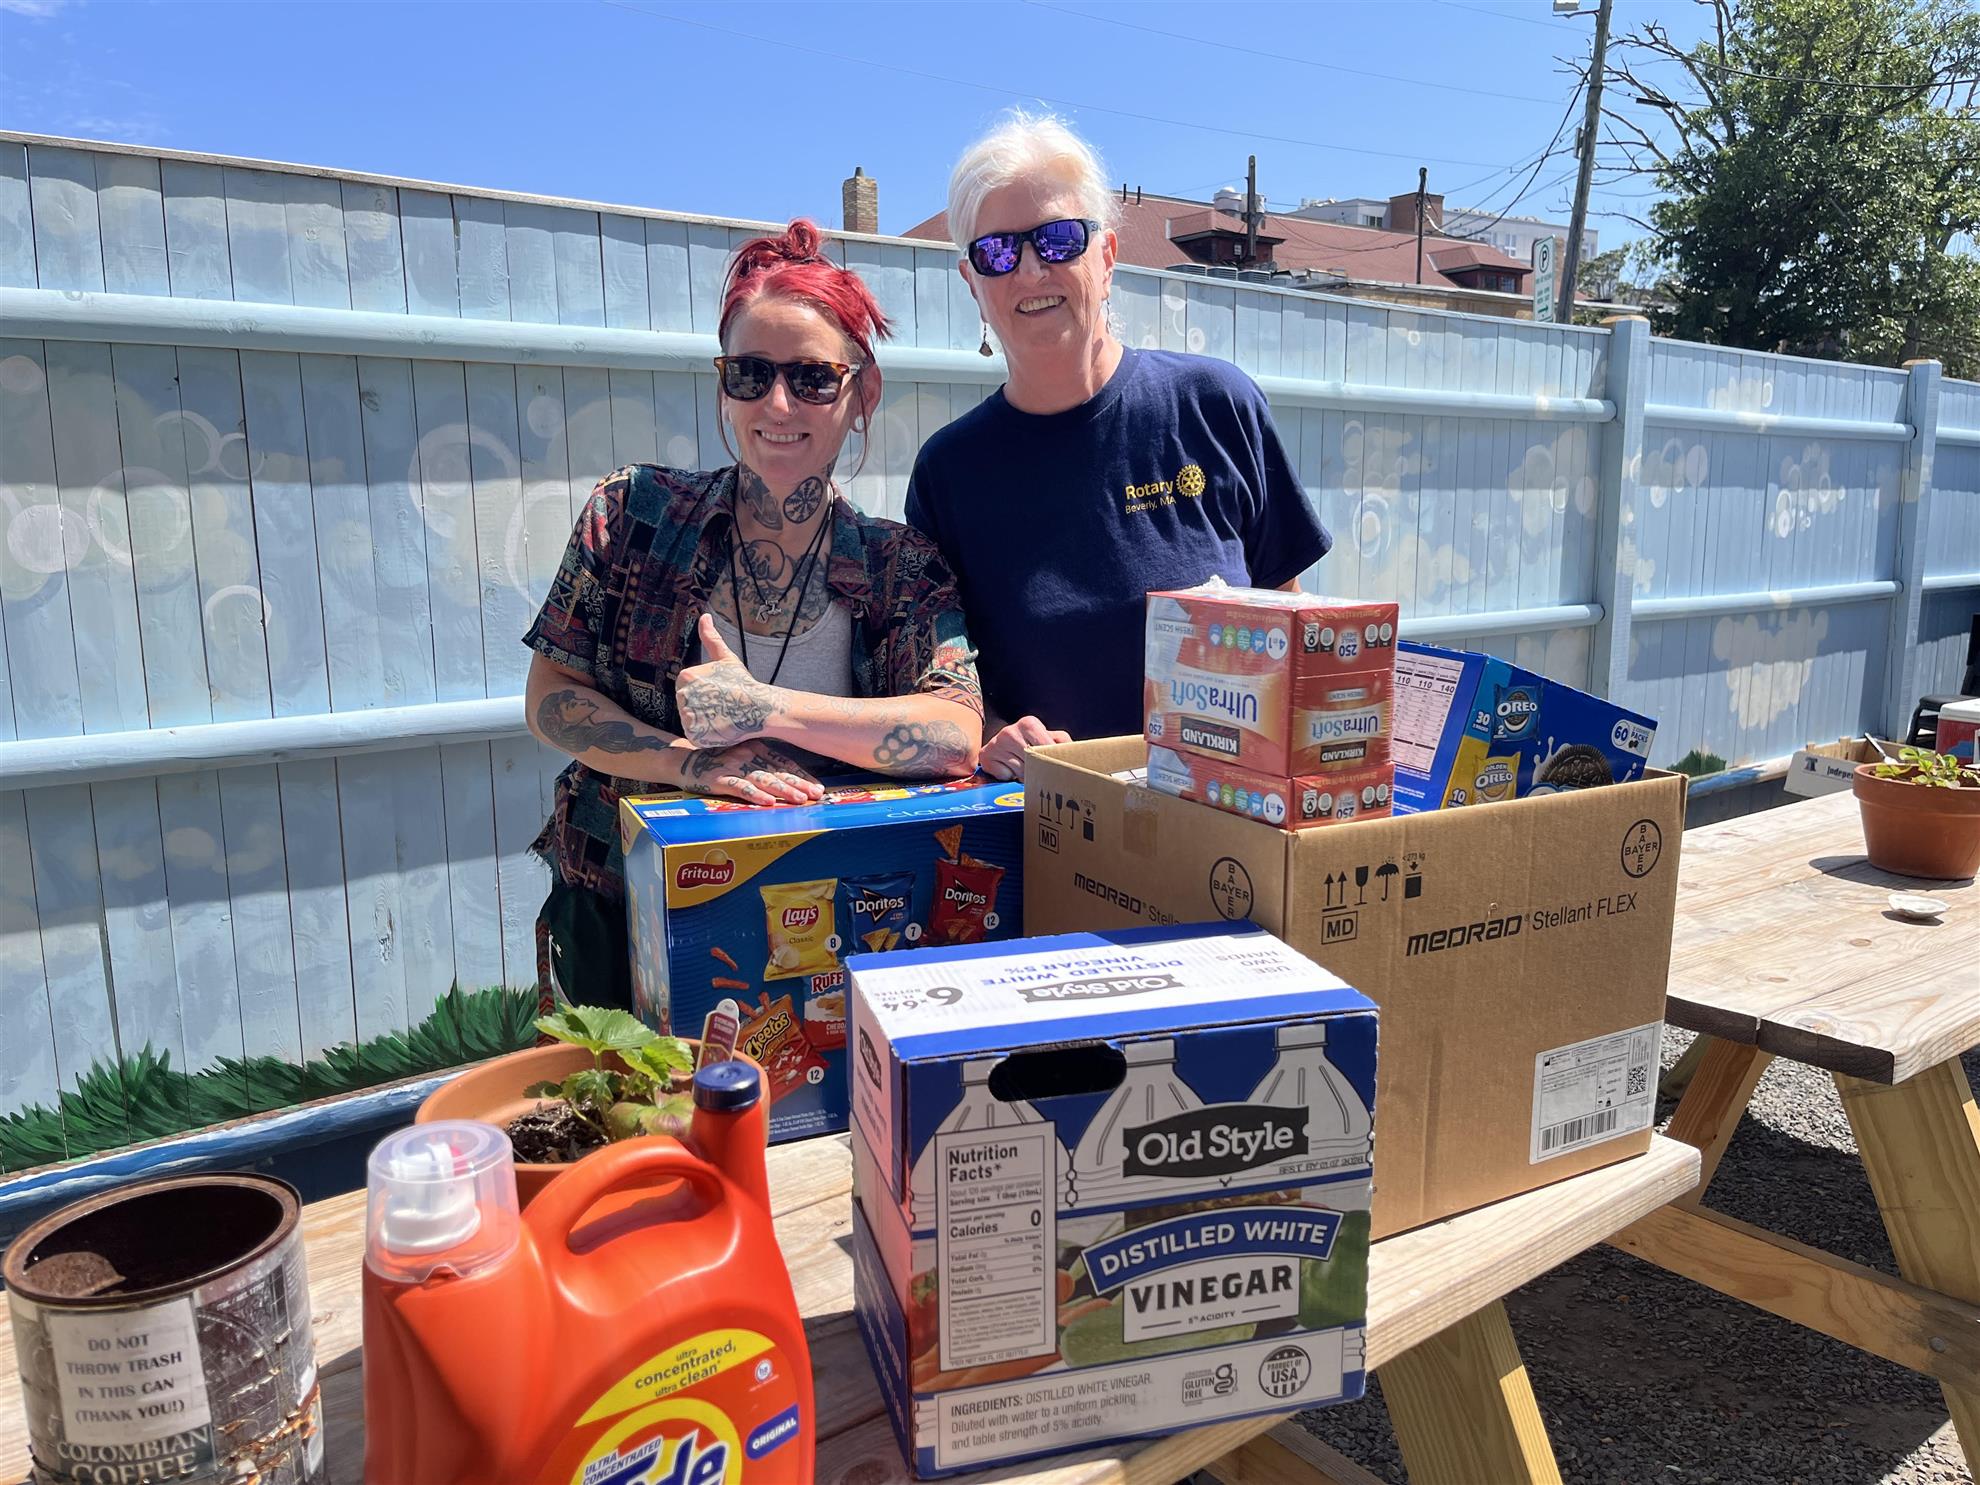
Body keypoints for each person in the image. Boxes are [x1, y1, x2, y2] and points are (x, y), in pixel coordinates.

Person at [523, 220, 983, 1010]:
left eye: (812, 378)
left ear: (863, 391)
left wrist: (763, 707)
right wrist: (692, 763)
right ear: (722, 385)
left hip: (825, 935)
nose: (777, 403)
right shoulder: (631, 515)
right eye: (750, 373)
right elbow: (550, 698)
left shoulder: (900, 567)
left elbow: (955, 732)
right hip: (617, 917)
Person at [906, 114, 1331, 780]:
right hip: (1051, 823)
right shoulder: (948, 474)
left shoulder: (1216, 407)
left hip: (1229, 818)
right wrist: (990, 735)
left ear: (1105, 258)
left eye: (1058, 239)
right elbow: (941, 683)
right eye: (998, 252)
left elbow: (1295, 631)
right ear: (972, 284)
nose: (1030, 269)